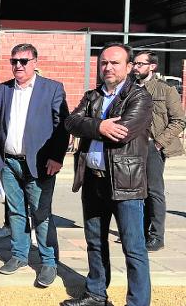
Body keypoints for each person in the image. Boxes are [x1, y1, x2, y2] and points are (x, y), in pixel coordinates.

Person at [64, 43, 152, 306]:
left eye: (115, 63)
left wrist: (90, 126)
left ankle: (137, 302)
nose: (108, 67)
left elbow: (122, 132)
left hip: (126, 183)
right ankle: (96, 294)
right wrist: (100, 125)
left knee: (133, 248)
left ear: (128, 67)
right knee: (94, 241)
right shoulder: (92, 96)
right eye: (104, 62)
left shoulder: (138, 97)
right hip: (93, 180)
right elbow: (70, 122)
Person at [0, 43, 69, 288]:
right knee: (15, 212)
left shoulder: (52, 88)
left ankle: (49, 261)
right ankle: (19, 255)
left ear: (35, 62)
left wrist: (57, 157)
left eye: (23, 61)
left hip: (40, 164)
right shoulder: (2, 90)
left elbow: (62, 126)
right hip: (9, 162)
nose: (18, 66)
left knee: (41, 214)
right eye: (14, 61)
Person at [133, 50, 185, 252]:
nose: (135, 67)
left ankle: (156, 236)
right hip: (131, 147)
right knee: (136, 191)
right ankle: (139, 232)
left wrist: (158, 143)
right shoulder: (128, 89)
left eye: (140, 64)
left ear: (152, 66)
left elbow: (179, 120)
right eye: (134, 63)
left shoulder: (165, 90)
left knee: (154, 191)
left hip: (153, 146)